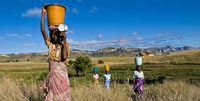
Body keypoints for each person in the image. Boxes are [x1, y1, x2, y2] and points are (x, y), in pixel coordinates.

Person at [39, 5, 71, 101]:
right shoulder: (50, 46)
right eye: (52, 35)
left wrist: (64, 40)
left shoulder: (65, 46)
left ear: (59, 36)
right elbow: (43, 30)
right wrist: (43, 14)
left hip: (61, 76)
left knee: (62, 95)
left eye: (55, 35)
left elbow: (64, 57)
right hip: (52, 77)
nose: (53, 37)